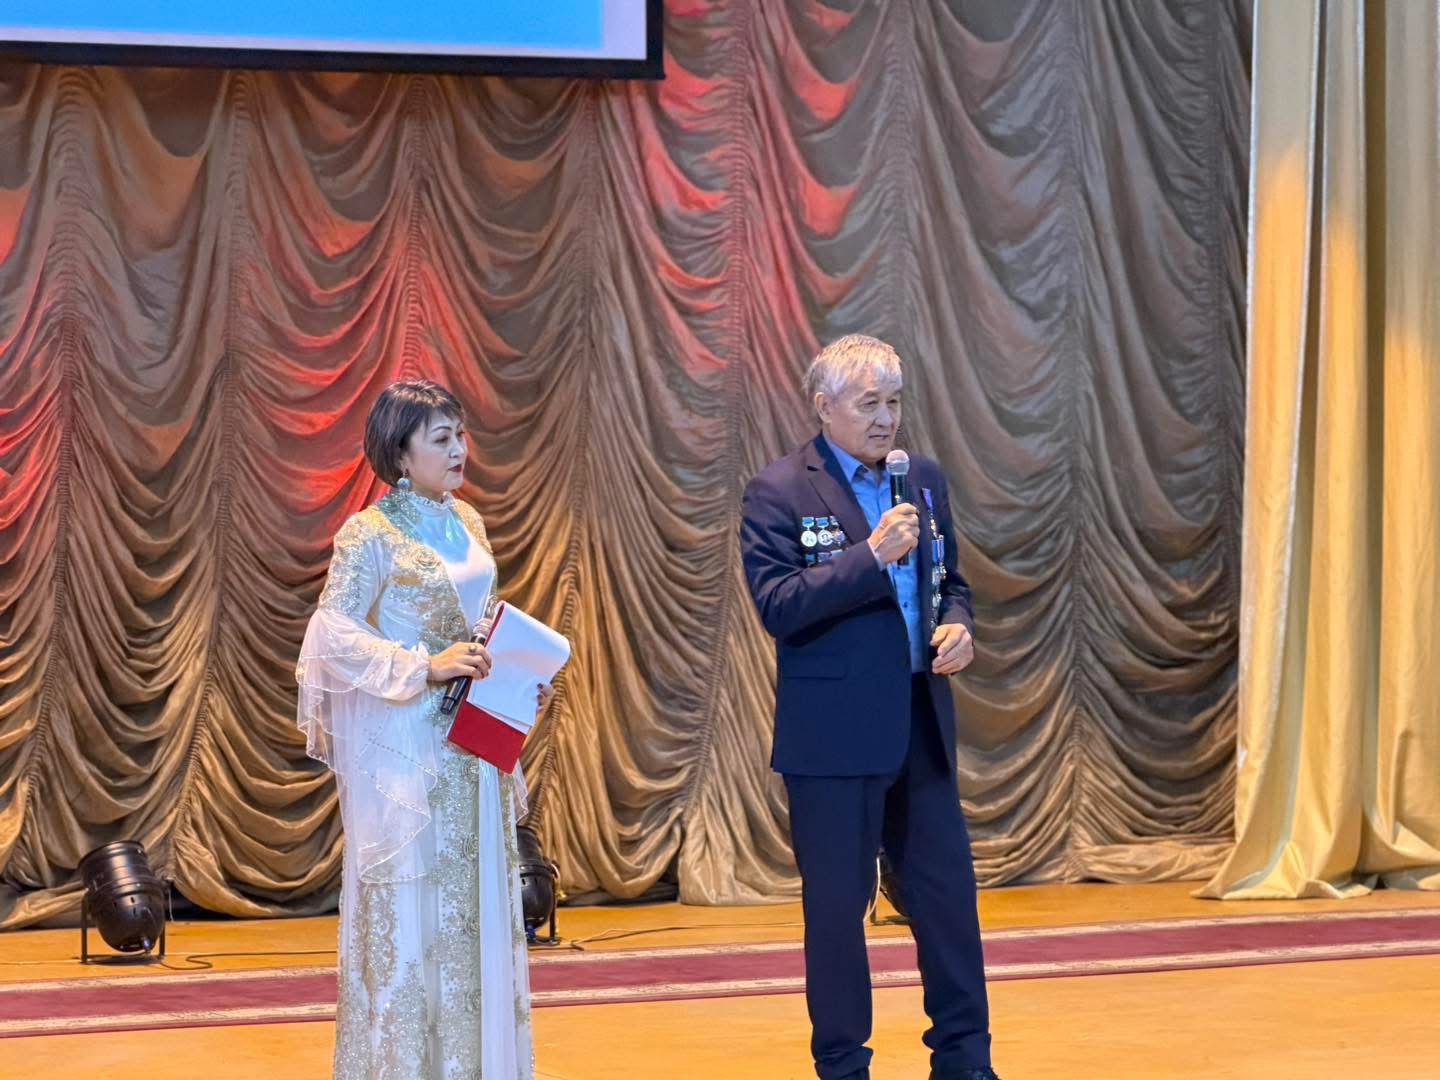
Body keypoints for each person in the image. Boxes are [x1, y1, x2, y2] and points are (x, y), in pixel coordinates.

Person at [740, 336, 998, 1080]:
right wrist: (869, 557)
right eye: (868, 404)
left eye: (894, 402)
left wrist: (959, 625)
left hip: (921, 722)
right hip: (832, 739)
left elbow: (952, 581)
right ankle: (844, 1066)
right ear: (824, 407)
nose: (886, 419)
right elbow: (778, 606)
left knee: (947, 904)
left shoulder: (922, 478)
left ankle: (966, 1062)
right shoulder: (778, 490)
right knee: (837, 913)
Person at [296, 379, 551, 1078]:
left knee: (475, 913)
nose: (460, 449)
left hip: (473, 746)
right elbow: (330, 635)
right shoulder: (369, 534)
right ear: (401, 454)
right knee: (414, 921)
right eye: (442, 439)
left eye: (460, 434)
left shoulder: (468, 522)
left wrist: (516, 672)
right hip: (409, 755)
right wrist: (423, 666)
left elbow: (482, 622)